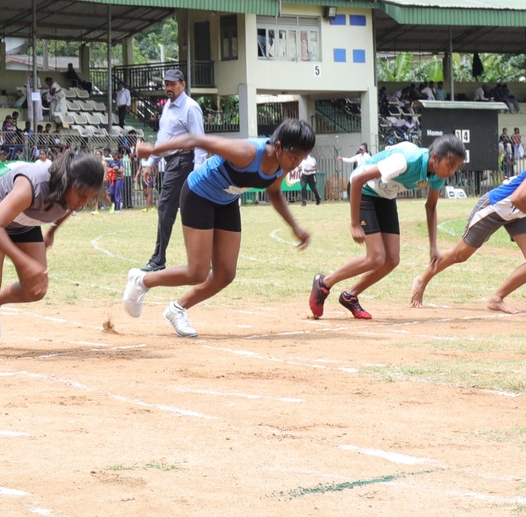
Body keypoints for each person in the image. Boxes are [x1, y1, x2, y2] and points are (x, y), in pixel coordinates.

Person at [122, 119, 316, 338]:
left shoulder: (282, 164)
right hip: (199, 195)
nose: (296, 164)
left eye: (301, 158)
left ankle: (177, 309)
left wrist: (294, 227)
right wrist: (153, 150)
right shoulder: (246, 152)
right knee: (197, 272)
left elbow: (273, 192)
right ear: (278, 146)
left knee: (225, 274)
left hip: (227, 200)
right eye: (294, 157)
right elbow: (195, 139)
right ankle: (141, 280)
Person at [0, 152, 105, 355]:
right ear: (67, 181)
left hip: (25, 222)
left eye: (89, 198)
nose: (82, 203)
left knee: (35, 290)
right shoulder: (32, 185)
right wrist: (24, 262)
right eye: (81, 195)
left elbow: (68, 207)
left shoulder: (70, 194)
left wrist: (51, 232)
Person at [411, 131, 526, 314]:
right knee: (460, 255)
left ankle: (497, 298)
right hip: (496, 207)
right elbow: (518, 198)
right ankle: (422, 280)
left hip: (519, 213)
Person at [310, 136, 466, 320]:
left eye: (456, 167)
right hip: (365, 190)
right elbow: (358, 179)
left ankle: (350, 295)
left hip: (386, 195)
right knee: (376, 257)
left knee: (392, 259)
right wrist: (354, 224)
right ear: (434, 158)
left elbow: (430, 207)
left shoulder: (437, 176)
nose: (452, 171)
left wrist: (433, 247)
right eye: (450, 164)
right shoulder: (405, 161)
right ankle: (323, 283)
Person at [140, 68, 204, 273]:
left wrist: (198, 171)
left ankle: (159, 259)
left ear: (183, 85)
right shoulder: (168, 106)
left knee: (166, 207)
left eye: (172, 84)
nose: (168, 87)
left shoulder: (190, 108)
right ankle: (200, 259)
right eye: (166, 84)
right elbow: (163, 138)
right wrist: (151, 163)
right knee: (184, 210)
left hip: (184, 163)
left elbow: (199, 141)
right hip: (172, 162)